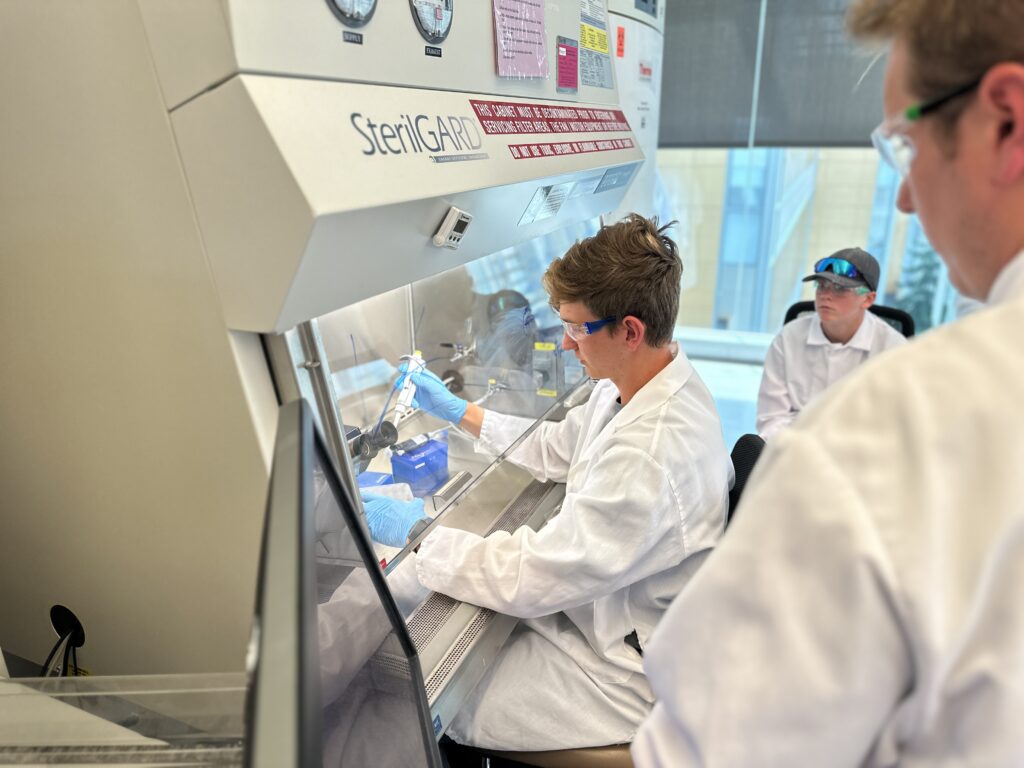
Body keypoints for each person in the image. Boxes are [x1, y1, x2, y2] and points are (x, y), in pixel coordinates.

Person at [632, 1, 1024, 765]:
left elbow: (712, 752)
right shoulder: (828, 377)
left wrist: (817, 458)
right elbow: (775, 419)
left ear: (1006, 123)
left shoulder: (895, 428)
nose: (905, 197)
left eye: (905, 146)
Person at [362, 213, 732, 751]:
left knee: (428, 703)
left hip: (627, 677)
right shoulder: (638, 380)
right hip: (603, 616)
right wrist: (458, 412)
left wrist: (419, 532)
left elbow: (529, 576)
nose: (564, 345)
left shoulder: (653, 455)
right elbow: (558, 446)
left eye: (577, 328)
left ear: (630, 330)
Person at [756, 247, 907, 439]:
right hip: (796, 453)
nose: (825, 295)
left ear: (868, 299)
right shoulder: (788, 338)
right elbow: (771, 419)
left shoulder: (894, 350)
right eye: (821, 285)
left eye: (840, 289)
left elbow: (892, 429)